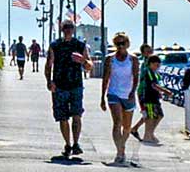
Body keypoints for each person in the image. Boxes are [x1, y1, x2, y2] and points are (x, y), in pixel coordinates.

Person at [44, 26, 90, 162]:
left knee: (77, 115)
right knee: (62, 117)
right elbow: (48, 64)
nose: (68, 31)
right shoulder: (55, 45)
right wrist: (49, 81)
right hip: (60, 86)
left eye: (70, 28)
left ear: (73, 30)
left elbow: (89, 66)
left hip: (76, 85)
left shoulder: (80, 46)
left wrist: (83, 60)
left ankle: (76, 143)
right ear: (62, 30)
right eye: (65, 29)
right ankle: (68, 144)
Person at [100, 33, 139, 163]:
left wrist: (133, 92)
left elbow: (135, 77)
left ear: (128, 44)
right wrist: (102, 97)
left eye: (123, 43)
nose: (121, 46)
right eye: (118, 44)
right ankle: (120, 151)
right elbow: (106, 78)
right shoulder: (110, 59)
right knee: (117, 122)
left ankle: (121, 147)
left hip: (128, 94)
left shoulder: (133, 59)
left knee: (126, 127)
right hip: (114, 93)